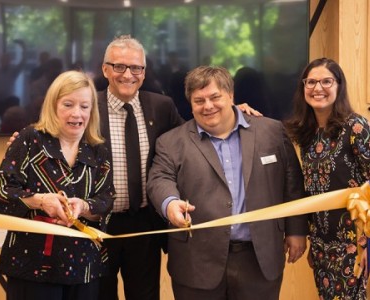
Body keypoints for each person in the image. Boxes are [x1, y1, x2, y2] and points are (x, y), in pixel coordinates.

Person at [97, 35, 261, 300]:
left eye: (136, 68)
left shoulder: (161, 106)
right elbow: (58, 132)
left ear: (144, 72)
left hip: (146, 226)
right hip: (98, 226)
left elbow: (194, 134)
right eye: (119, 66)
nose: (128, 74)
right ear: (105, 69)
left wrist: (232, 113)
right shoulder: (87, 106)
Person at [146, 65, 308, 300]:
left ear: (231, 95)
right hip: (196, 262)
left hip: (259, 258)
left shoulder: (272, 131)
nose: (208, 106)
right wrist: (170, 204)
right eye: (199, 100)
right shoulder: (171, 142)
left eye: (214, 97)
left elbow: (292, 182)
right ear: (190, 103)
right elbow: (160, 179)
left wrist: (296, 230)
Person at [0, 70, 114, 300]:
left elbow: (106, 200)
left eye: (84, 106)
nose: (77, 113)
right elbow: (1, 191)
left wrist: (84, 207)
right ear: (53, 105)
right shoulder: (29, 139)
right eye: (68, 104)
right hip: (31, 266)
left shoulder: (99, 150)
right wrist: (40, 200)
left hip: (85, 267)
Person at [284, 58, 370, 300]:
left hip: (354, 245)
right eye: (310, 82)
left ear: (339, 86)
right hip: (322, 245)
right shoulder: (307, 133)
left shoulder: (357, 127)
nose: (317, 88)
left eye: (326, 81)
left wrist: (367, 245)